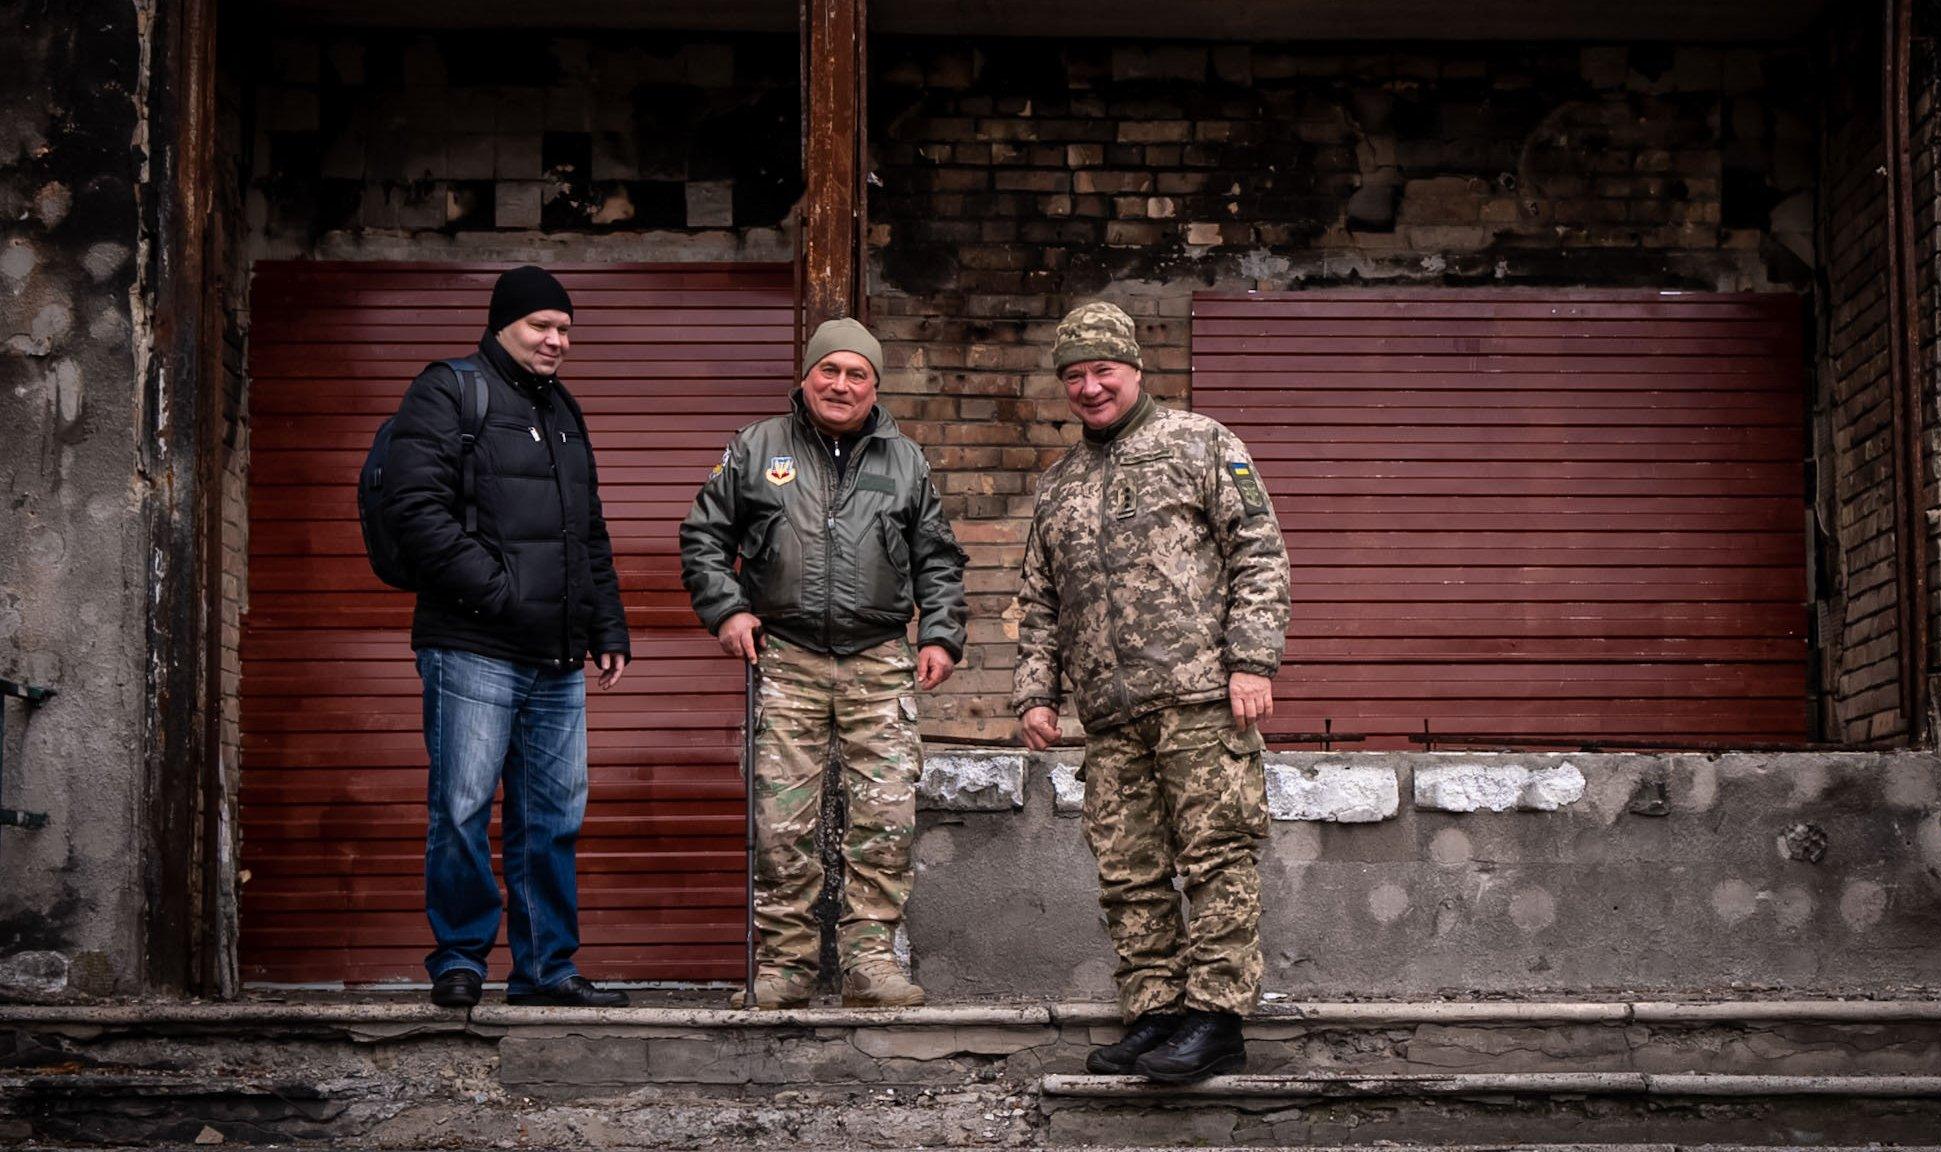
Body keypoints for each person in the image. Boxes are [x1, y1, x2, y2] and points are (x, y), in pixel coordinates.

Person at [1012, 301, 1291, 1082]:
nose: (1090, 387)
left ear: (1134, 368)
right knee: (1129, 873)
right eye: (1074, 375)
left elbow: (1259, 553)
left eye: (1102, 370)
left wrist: (1252, 660)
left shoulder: (1201, 443)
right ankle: (1157, 1013)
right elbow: (1040, 600)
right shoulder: (1059, 485)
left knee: (1216, 858)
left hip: (1202, 698)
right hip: (1111, 716)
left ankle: (1218, 1020)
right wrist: (1037, 692)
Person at [681, 317, 968, 1009]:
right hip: (788, 657)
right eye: (828, 370)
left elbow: (938, 557)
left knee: (885, 819)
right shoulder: (755, 448)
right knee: (783, 825)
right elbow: (703, 535)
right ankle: (786, 967)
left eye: (856, 374)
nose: (841, 384)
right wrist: (727, 610)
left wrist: (941, 635)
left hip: (879, 662)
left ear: (874, 386)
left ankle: (871, 964)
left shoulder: (905, 459)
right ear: (806, 376)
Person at [383, 265, 632, 1009]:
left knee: (552, 819)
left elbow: (586, 527)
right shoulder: (449, 390)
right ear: (503, 325)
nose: (556, 340)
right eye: (541, 327)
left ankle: (546, 970)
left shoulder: (563, 409)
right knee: (461, 807)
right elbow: (415, 509)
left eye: (565, 330)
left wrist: (606, 622)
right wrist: (502, 597)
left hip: (555, 655)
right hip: (470, 645)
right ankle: (459, 959)